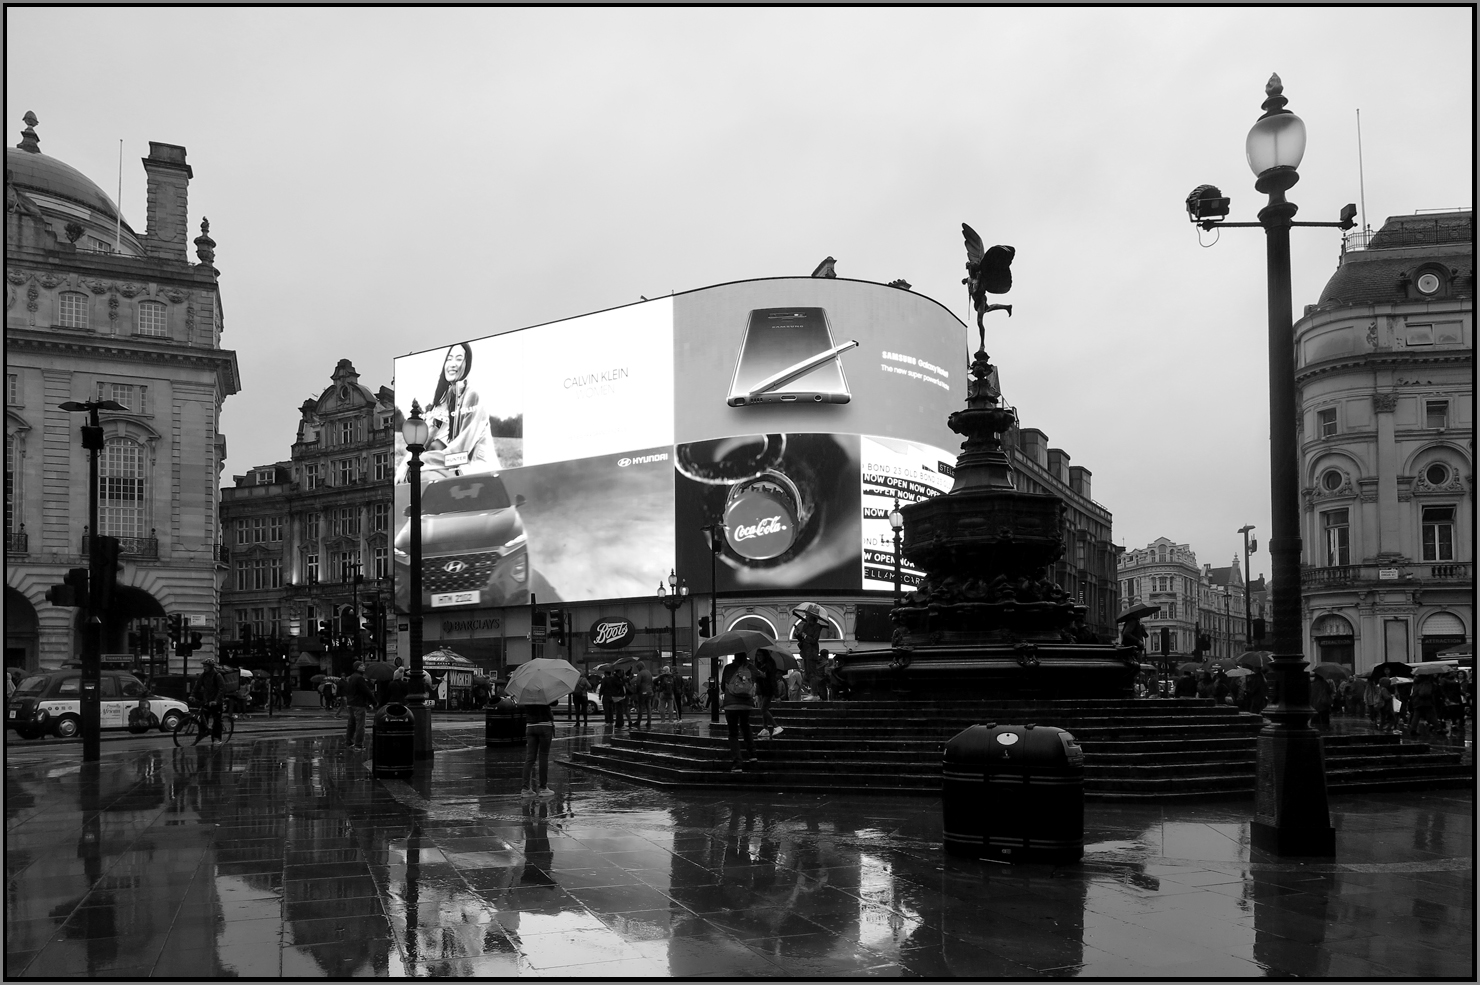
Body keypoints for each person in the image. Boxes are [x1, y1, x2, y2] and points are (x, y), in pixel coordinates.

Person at [409, 341, 498, 479]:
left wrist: (424, 461)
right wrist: (406, 467)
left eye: (459, 359)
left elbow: (460, 451)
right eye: (449, 359)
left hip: (477, 473)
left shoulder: (473, 395)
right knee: (417, 475)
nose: (452, 364)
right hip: (452, 469)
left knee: (422, 476)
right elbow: (425, 439)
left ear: (466, 364)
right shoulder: (445, 400)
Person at [720, 651, 759, 771]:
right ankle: (752, 754)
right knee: (746, 726)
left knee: (733, 733)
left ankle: (738, 762)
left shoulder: (728, 668)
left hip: (731, 705)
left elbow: (723, 686)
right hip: (746, 704)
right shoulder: (752, 668)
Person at [520, 698, 557, 797]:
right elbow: (555, 702)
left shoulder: (526, 692)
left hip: (530, 725)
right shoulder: (545, 690)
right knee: (543, 756)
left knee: (530, 758)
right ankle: (543, 788)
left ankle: (525, 788)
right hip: (545, 724)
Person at [341, 662, 378, 751]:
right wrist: (374, 702)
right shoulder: (360, 678)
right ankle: (358, 744)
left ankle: (349, 742)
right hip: (359, 704)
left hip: (351, 703)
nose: (363, 667)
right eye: (361, 665)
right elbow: (366, 691)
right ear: (357, 668)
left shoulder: (351, 677)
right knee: (360, 725)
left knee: (351, 723)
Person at [189, 658, 228, 743]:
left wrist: (216, 701)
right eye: (203, 666)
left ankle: (217, 738)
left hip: (216, 702)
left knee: (216, 720)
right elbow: (197, 686)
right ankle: (203, 732)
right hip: (207, 700)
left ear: (211, 667)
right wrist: (192, 695)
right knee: (203, 718)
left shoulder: (217, 675)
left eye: (206, 666)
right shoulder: (203, 675)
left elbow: (222, 689)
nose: (204, 668)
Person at [753, 653, 782, 739]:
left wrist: (777, 695)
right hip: (762, 690)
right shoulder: (759, 665)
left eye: (760, 655)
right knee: (764, 709)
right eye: (757, 656)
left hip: (768, 690)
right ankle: (765, 728)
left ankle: (776, 726)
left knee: (763, 709)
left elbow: (772, 681)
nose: (758, 657)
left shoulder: (769, 666)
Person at [635, 663, 654, 729]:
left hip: (643, 692)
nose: (638, 669)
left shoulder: (640, 673)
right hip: (650, 692)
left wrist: (637, 691)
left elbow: (638, 683)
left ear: (640, 667)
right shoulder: (649, 672)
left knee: (641, 707)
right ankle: (649, 721)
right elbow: (651, 683)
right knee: (649, 707)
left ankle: (638, 721)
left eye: (638, 667)